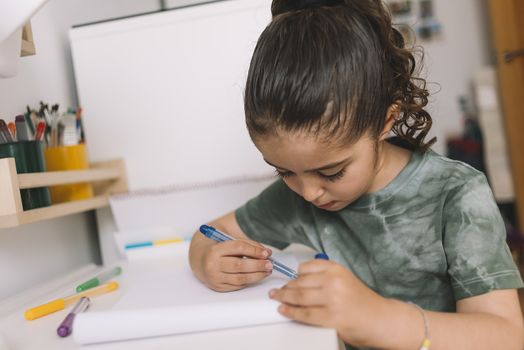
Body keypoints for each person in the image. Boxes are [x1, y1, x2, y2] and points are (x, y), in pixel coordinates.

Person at [189, 0, 524, 348]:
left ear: (385, 121)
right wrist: (206, 261)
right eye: (284, 171)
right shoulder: (300, 196)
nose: (309, 193)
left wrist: (374, 317)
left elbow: (506, 337)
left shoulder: (456, 195)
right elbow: (210, 235)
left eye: (332, 172)